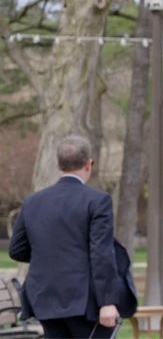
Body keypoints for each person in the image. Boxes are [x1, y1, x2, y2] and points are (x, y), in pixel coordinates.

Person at [8, 136, 121, 338]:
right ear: (89, 164)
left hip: (45, 297)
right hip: (83, 301)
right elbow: (101, 253)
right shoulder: (98, 201)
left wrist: (50, 256)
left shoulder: (32, 202)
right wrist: (107, 302)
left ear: (58, 165)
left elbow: (16, 249)